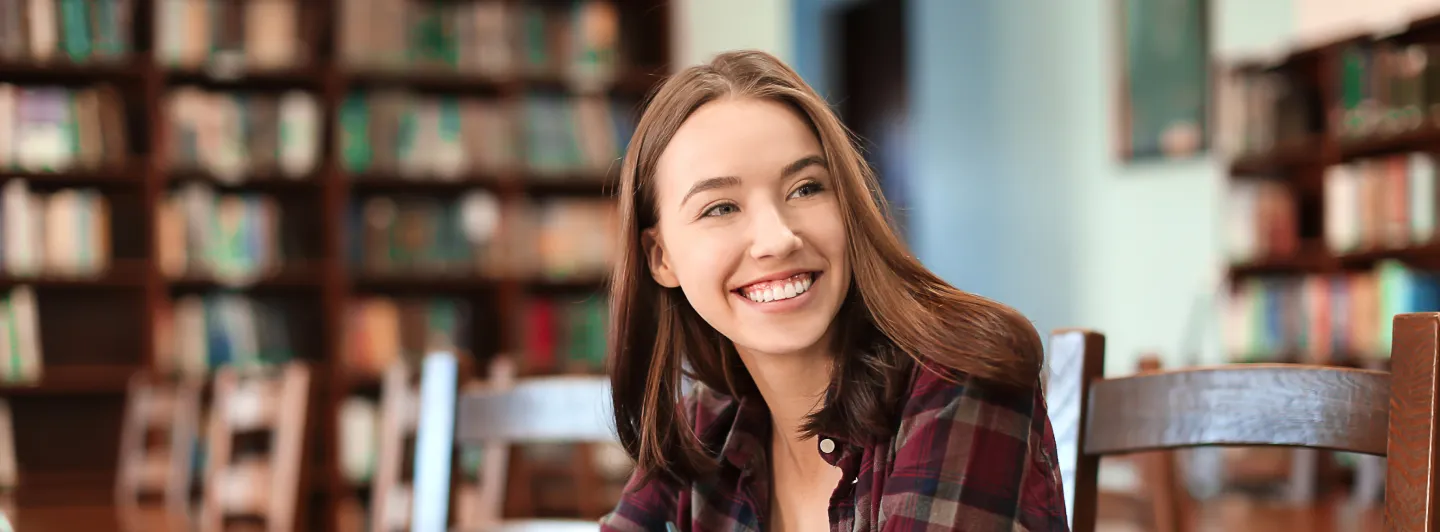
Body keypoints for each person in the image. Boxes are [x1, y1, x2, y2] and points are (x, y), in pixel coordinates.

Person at [600, 50, 1068, 532]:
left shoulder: (957, 378)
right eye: (720, 208)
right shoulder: (707, 423)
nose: (778, 238)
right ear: (661, 258)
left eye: (806, 188)